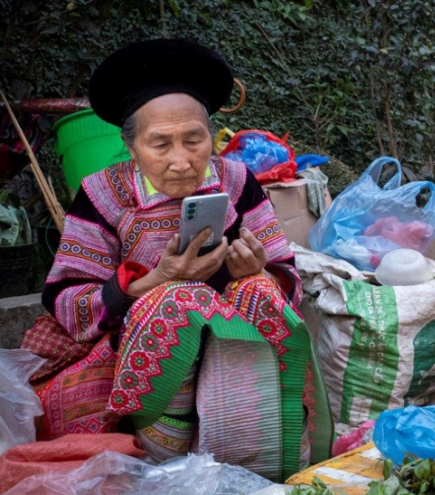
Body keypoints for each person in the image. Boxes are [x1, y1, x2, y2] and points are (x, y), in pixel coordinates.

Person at [23, 39, 332, 479]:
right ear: (131, 148)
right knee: (173, 305)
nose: (181, 161)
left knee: (260, 291)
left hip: (230, 344)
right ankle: (165, 461)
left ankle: (255, 459)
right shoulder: (103, 193)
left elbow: (285, 272)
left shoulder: (237, 179)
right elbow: (66, 297)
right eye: (160, 144)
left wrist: (256, 269)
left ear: (212, 136)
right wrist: (159, 280)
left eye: (194, 139)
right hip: (130, 349)